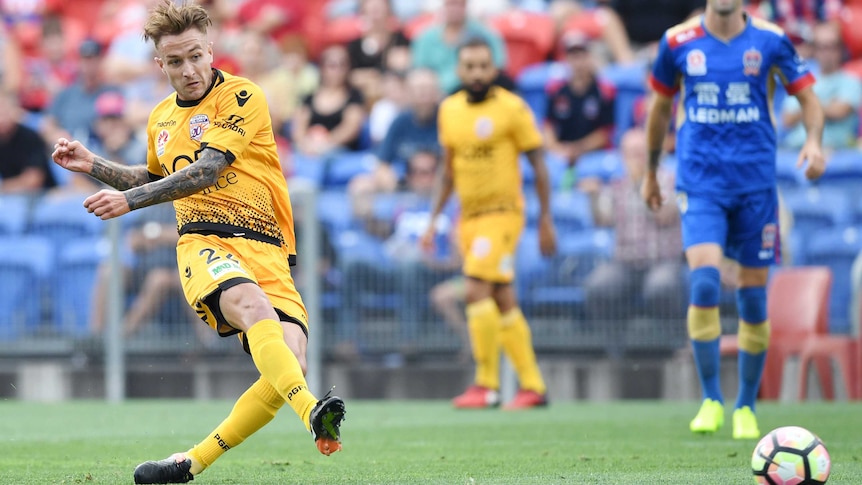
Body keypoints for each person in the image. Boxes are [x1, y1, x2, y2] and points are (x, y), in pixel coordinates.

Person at [50, 3, 345, 484]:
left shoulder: (242, 96)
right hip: (205, 243)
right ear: (159, 65)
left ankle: (190, 462)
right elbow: (154, 174)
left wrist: (129, 199)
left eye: (194, 56)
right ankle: (313, 412)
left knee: (289, 362)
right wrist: (94, 165)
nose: (188, 70)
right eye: (174, 61)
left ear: (210, 50)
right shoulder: (161, 117)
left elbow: (206, 170)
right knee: (252, 308)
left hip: (268, 247)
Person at [643, 0, 825, 440]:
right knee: (704, 282)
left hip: (755, 184)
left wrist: (814, 141)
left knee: (752, 297)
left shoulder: (771, 40)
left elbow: (808, 100)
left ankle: (745, 405)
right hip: (700, 182)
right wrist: (650, 172)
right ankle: (711, 400)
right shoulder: (677, 41)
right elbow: (659, 110)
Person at [420, 36, 557, 410]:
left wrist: (546, 219)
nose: (477, 73)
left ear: (494, 68)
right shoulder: (448, 110)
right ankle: (533, 386)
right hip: (469, 217)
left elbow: (540, 168)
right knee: (501, 296)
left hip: (503, 213)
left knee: (476, 287)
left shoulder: (512, 108)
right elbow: (449, 171)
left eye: (484, 66)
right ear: (459, 69)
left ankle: (486, 384)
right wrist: (433, 221)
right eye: (470, 66)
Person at [580, 128, 685, 328]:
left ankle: (670, 345)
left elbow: (663, 216)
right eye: (630, 154)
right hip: (625, 264)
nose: (635, 159)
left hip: (663, 262)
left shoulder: (670, 181)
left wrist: (641, 183)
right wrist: (593, 197)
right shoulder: (618, 185)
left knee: (661, 288)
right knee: (598, 286)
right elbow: (603, 220)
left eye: (640, 153)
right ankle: (615, 349)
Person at [781, 21, 862, 151]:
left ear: (841, 49)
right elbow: (788, 119)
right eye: (821, 47)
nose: (827, 53)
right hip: (796, 149)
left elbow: (840, 111)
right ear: (814, 50)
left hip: (836, 152)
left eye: (832, 46)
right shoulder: (800, 80)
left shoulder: (852, 81)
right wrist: (827, 107)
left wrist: (805, 107)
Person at [543, 33, 615, 167]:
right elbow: (548, 126)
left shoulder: (604, 90)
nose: (578, 62)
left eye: (582, 55)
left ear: (590, 57)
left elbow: (606, 132)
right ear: (566, 59)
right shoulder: (555, 90)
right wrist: (556, 148)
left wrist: (578, 149)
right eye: (573, 56)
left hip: (593, 154)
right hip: (561, 153)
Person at [411, 0, 507, 94]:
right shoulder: (426, 37)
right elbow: (420, 70)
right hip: (435, 96)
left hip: (475, 90)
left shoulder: (485, 34)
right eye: (451, 4)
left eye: (460, 4)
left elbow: (498, 65)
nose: (455, 9)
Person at [0, 89, 56, 193]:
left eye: (5, 112)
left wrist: (4, 187)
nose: (2, 118)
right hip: (10, 199)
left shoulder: (31, 137)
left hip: (41, 197)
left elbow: (34, 180)